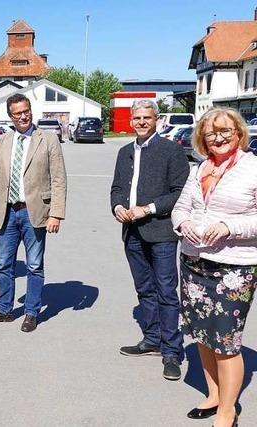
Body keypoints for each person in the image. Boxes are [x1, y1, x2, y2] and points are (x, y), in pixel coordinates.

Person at [172, 107, 256, 427]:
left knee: (226, 341)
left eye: (225, 132)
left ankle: (227, 411)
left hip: (234, 267)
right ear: (202, 139)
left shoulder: (252, 167)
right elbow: (181, 208)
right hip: (194, 260)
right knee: (203, 335)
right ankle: (214, 395)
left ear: (238, 133)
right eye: (211, 133)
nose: (219, 138)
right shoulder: (200, 169)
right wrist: (183, 224)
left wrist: (229, 227)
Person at [110, 99, 190, 380]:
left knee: (166, 291)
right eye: (137, 118)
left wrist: (148, 208)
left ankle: (171, 351)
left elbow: (180, 192)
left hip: (161, 232)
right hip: (132, 232)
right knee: (144, 288)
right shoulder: (124, 152)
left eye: (147, 117)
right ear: (130, 121)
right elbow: (118, 187)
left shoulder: (172, 151)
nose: (142, 122)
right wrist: (118, 207)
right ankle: (153, 338)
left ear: (157, 119)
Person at [0, 93, 67, 333]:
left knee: (34, 265)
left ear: (31, 110)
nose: (23, 116)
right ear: (10, 116)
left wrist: (56, 214)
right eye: (17, 113)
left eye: (26, 110)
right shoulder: (1, 141)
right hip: (6, 213)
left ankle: (31, 312)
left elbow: (59, 179)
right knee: (3, 264)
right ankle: (4, 309)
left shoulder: (47, 139)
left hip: (34, 213)